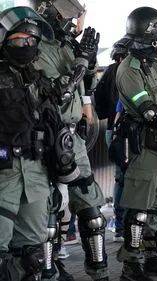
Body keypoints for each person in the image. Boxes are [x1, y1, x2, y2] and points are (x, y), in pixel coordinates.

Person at [30, 1, 109, 280]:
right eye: (71, 16)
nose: (76, 24)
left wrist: (87, 64)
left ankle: (99, 271)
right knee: (49, 215)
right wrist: (80, 63)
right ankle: (50, 271)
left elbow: (84, 85)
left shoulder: (65, 44)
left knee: (92, 212)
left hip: (73, 138)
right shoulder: (36, 48)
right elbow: (56, 94)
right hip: (48, 137)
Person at [0, 6, 80, 281]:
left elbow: (57, 110)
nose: (27, 45)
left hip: (35, 175)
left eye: (32, 41)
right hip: (4, 173)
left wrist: (81, 66)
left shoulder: (38, 81)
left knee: (32, 256)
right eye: (19, 39)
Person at [114, 7, 157, 280]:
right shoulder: (128, 69)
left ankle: (154, 257)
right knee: (139, 208)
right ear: (149, 35)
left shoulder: (155, 65)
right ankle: (130, 266)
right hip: (145, 146)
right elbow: (148, 109)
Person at [94, 37, 131, 243]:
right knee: (130, 177)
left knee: (120, 177)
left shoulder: (109, 71)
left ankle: (119, 225)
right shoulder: (132, 72)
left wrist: (107, 114)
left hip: (112, 129)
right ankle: (127, 224)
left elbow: (98, 97)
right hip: (129, 132)